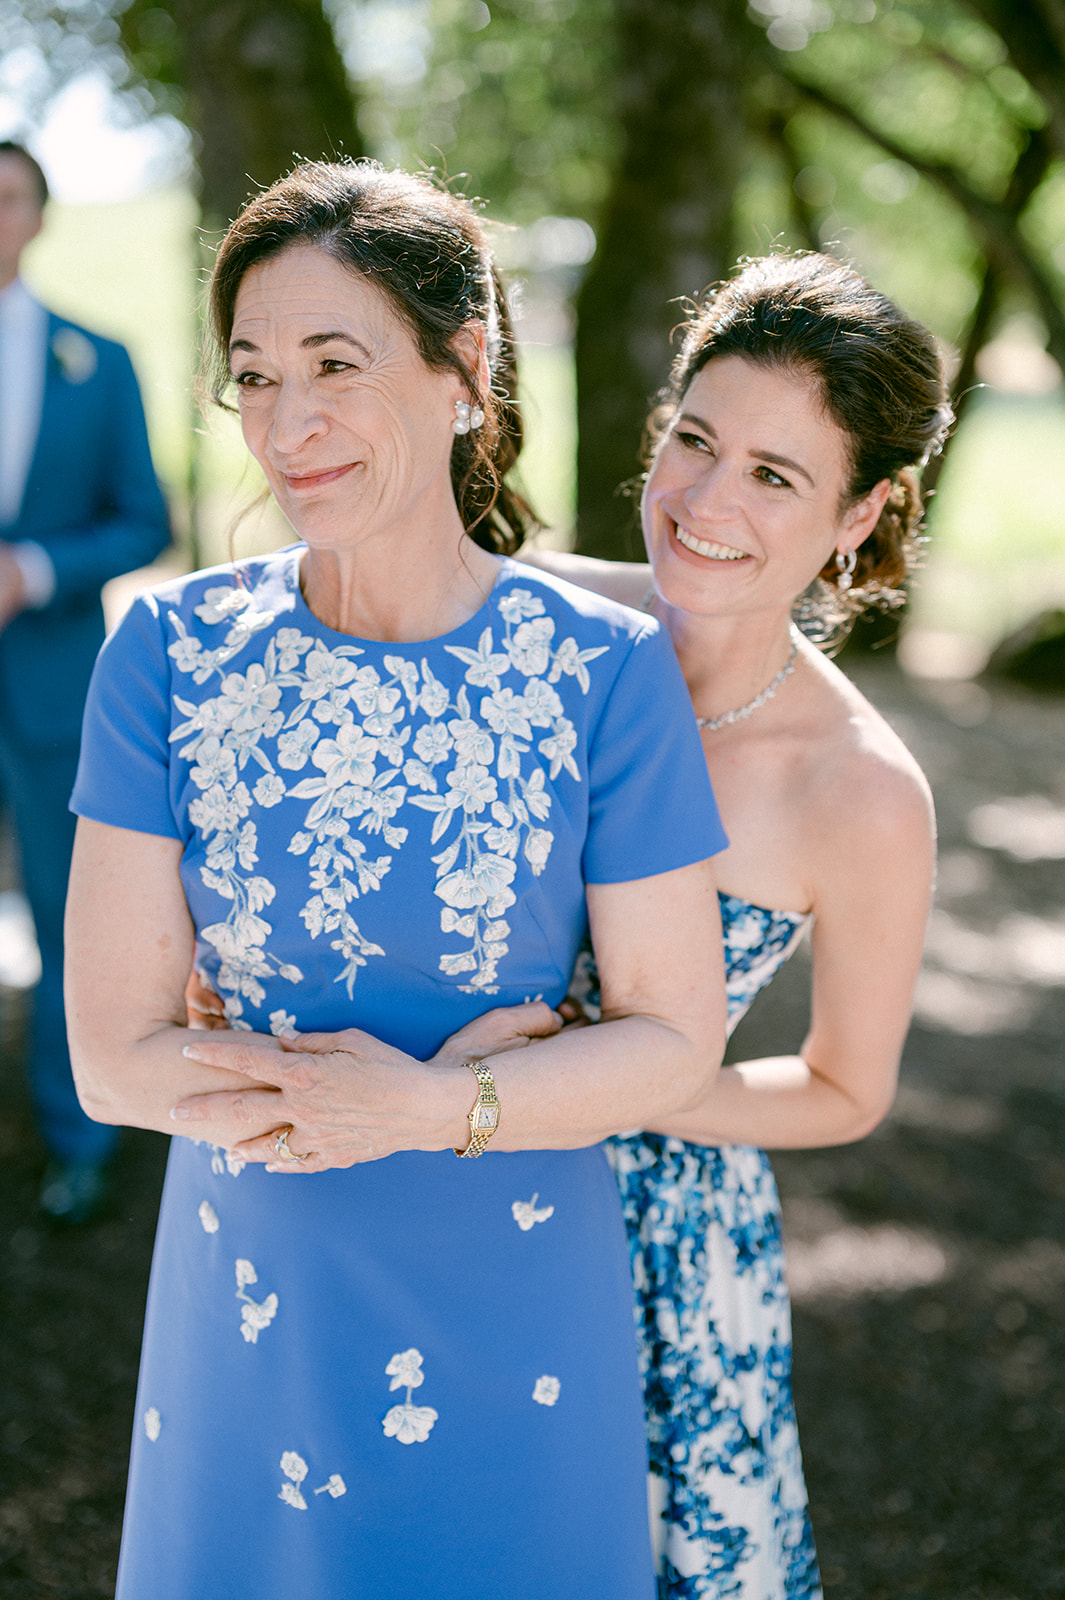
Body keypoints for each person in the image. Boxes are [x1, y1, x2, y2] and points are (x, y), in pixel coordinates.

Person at [64, 160, 731, 1599]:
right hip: (257, 1304)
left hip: (520, 1287)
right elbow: (111, 1059)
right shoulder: (166, 656)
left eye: (334, 366)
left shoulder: (601, 673)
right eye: (251, 374)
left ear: (463, 370)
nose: (284, 424)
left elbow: (678, 1037)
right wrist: (353, 1105)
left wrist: (430, 1109)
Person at [432, 251, 945, 1597]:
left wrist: (644, 1088)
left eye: (774, 476)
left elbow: (844, 1089)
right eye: (694, 440)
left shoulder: (861, 791)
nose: (705, 502)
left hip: (647, 1236)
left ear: (862, 511)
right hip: (416, 1150)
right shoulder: (535, 620)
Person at [0, 140, 170, 1223]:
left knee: (71, 919)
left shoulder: (94, 360)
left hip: (51, 682)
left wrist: (32, 568)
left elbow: (146, 522)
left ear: (40, 218)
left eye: (7, 195)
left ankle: (78, 1136)